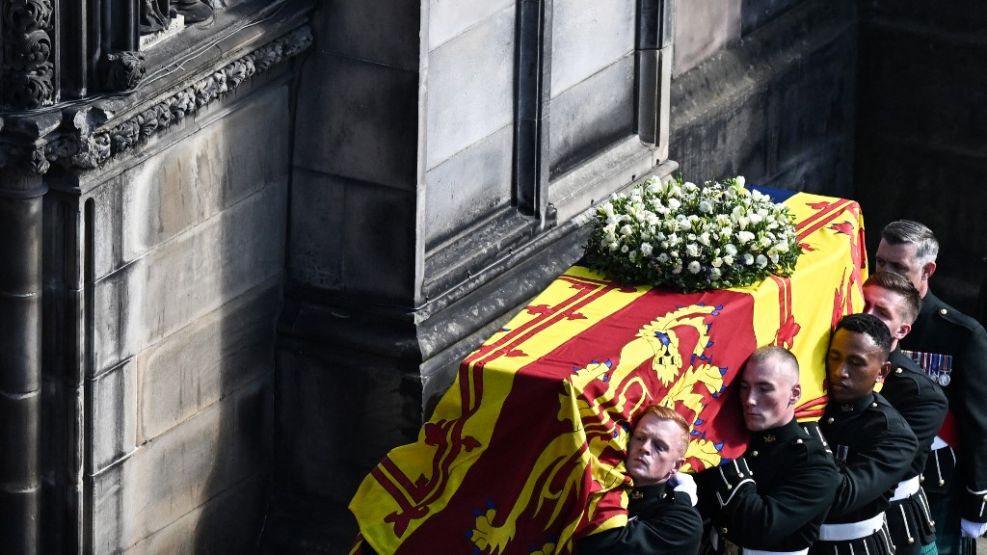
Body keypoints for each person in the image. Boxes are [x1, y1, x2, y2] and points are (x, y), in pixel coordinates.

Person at [876, 220, 987, 553]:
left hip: (932, 483)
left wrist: (976, 497)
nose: (885, 272)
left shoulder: (961, 335)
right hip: (867, 474)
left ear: (928, 270)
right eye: (880, 261)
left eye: (898, 266)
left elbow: (978, 425)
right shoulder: (858, 315)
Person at [695, 346, 839, 554]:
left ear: (794, 393)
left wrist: (724, 449)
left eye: (764, 388)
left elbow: (759, 525)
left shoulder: (815, 465)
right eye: (744, 387)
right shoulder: (743, 438)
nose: (750, 399)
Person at [811, 313, 918, 555]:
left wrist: (806, 427)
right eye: (834, 357)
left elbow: (842, 496)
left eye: (856, 363)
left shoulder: (894, 435)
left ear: (882, 372)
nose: (840, 371)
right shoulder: (817, 405)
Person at [862, 271, 949, 554]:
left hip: (895, 526)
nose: (867, 316)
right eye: (862, 304)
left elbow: (890, 469)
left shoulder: (922, 395)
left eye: (882, 312)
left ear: (902, 330)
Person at [576, 405, 703, 554]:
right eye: (640, 438)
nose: (645, 447)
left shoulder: (685, 525)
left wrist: (682, 499)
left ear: (676, 465)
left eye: (659, 446)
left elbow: (604, 543)